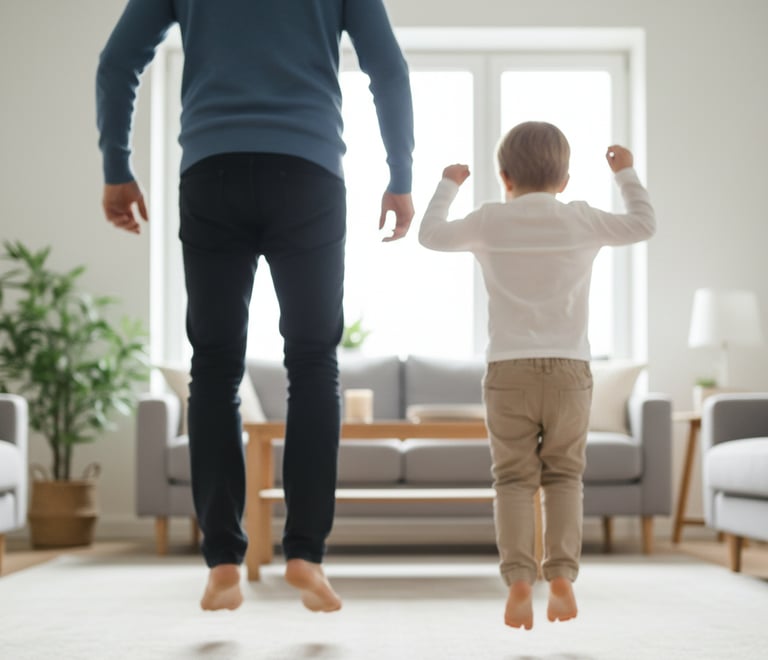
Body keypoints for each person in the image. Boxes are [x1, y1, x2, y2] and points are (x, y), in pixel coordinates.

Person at [96, 0, 414, 613]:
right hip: (310, 174)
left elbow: (117, 63)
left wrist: (117, 167)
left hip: (212, 172)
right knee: (314, 363)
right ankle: (305, 554)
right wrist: (400, 175)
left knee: (214, 367)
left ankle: (222, 561)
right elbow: (388, 69)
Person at [418, 121, 655, 629]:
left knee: (513, 480)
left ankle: (520, 580)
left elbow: (431, 235)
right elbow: (643, 225)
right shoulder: (582, 219)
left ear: (504, 177)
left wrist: (449, 184)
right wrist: (626, 173)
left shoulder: (489, 220)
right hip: (570, 370)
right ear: (565, 180)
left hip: (507, 371)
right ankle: (563, 576)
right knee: (564, 475)